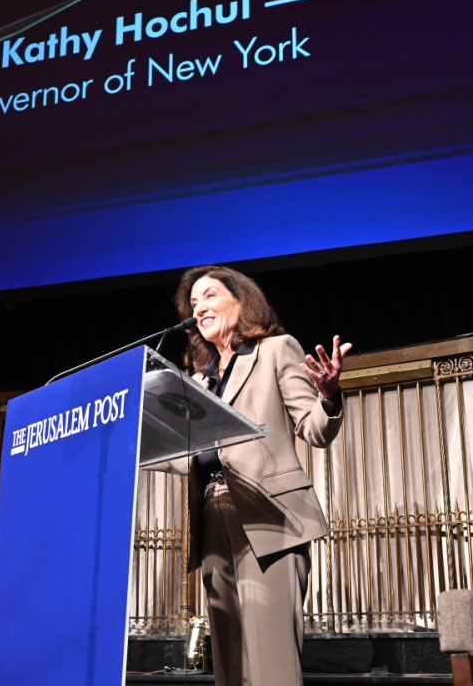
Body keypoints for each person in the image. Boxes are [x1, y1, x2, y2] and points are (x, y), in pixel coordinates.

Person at [147, 264, 352, 686]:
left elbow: (313, 429)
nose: (198, 306)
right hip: (211, 523)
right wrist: (139, 443)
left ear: (242, 302)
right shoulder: (196, 382)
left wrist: (329, 396)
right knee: (230, 665)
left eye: (209, 295)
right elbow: (190, 456)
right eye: (193, 302)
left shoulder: (276, 350)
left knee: (271, 661)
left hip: (267, 517)